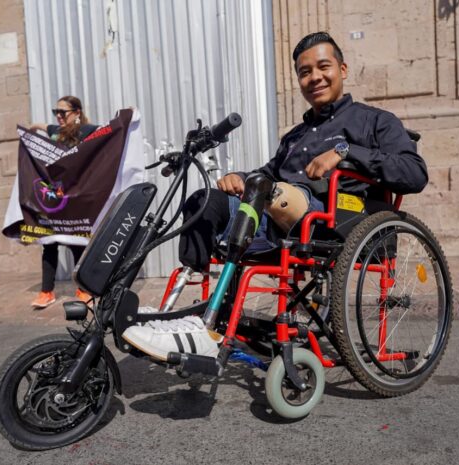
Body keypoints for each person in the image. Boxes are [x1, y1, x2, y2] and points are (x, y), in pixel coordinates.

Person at [122, 32, 429, 360]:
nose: (314, 77)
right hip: (277, 216)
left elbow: (414, 173)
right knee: (204, 201)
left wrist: (345, 151)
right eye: (305, 72)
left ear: (342, 69)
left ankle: (207, 324)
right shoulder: (296, 137)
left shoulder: (375, 121)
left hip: (335, 220)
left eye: (323, 67)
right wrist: (240, 178)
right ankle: (181, 309)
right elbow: (268, 173)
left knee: (270, 192)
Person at [29, 96, 99, 308]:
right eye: (55, 112)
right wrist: (30, 130)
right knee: (49, 243)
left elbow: (110, 132)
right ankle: (46, 292)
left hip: (74, 197)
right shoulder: (56, 132)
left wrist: (128, 116)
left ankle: (83, 290)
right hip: (53, 197)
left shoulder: (86, 131)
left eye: (62, 112)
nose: (58, 116)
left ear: (77, 112)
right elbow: (42, 126)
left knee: (76, 243)